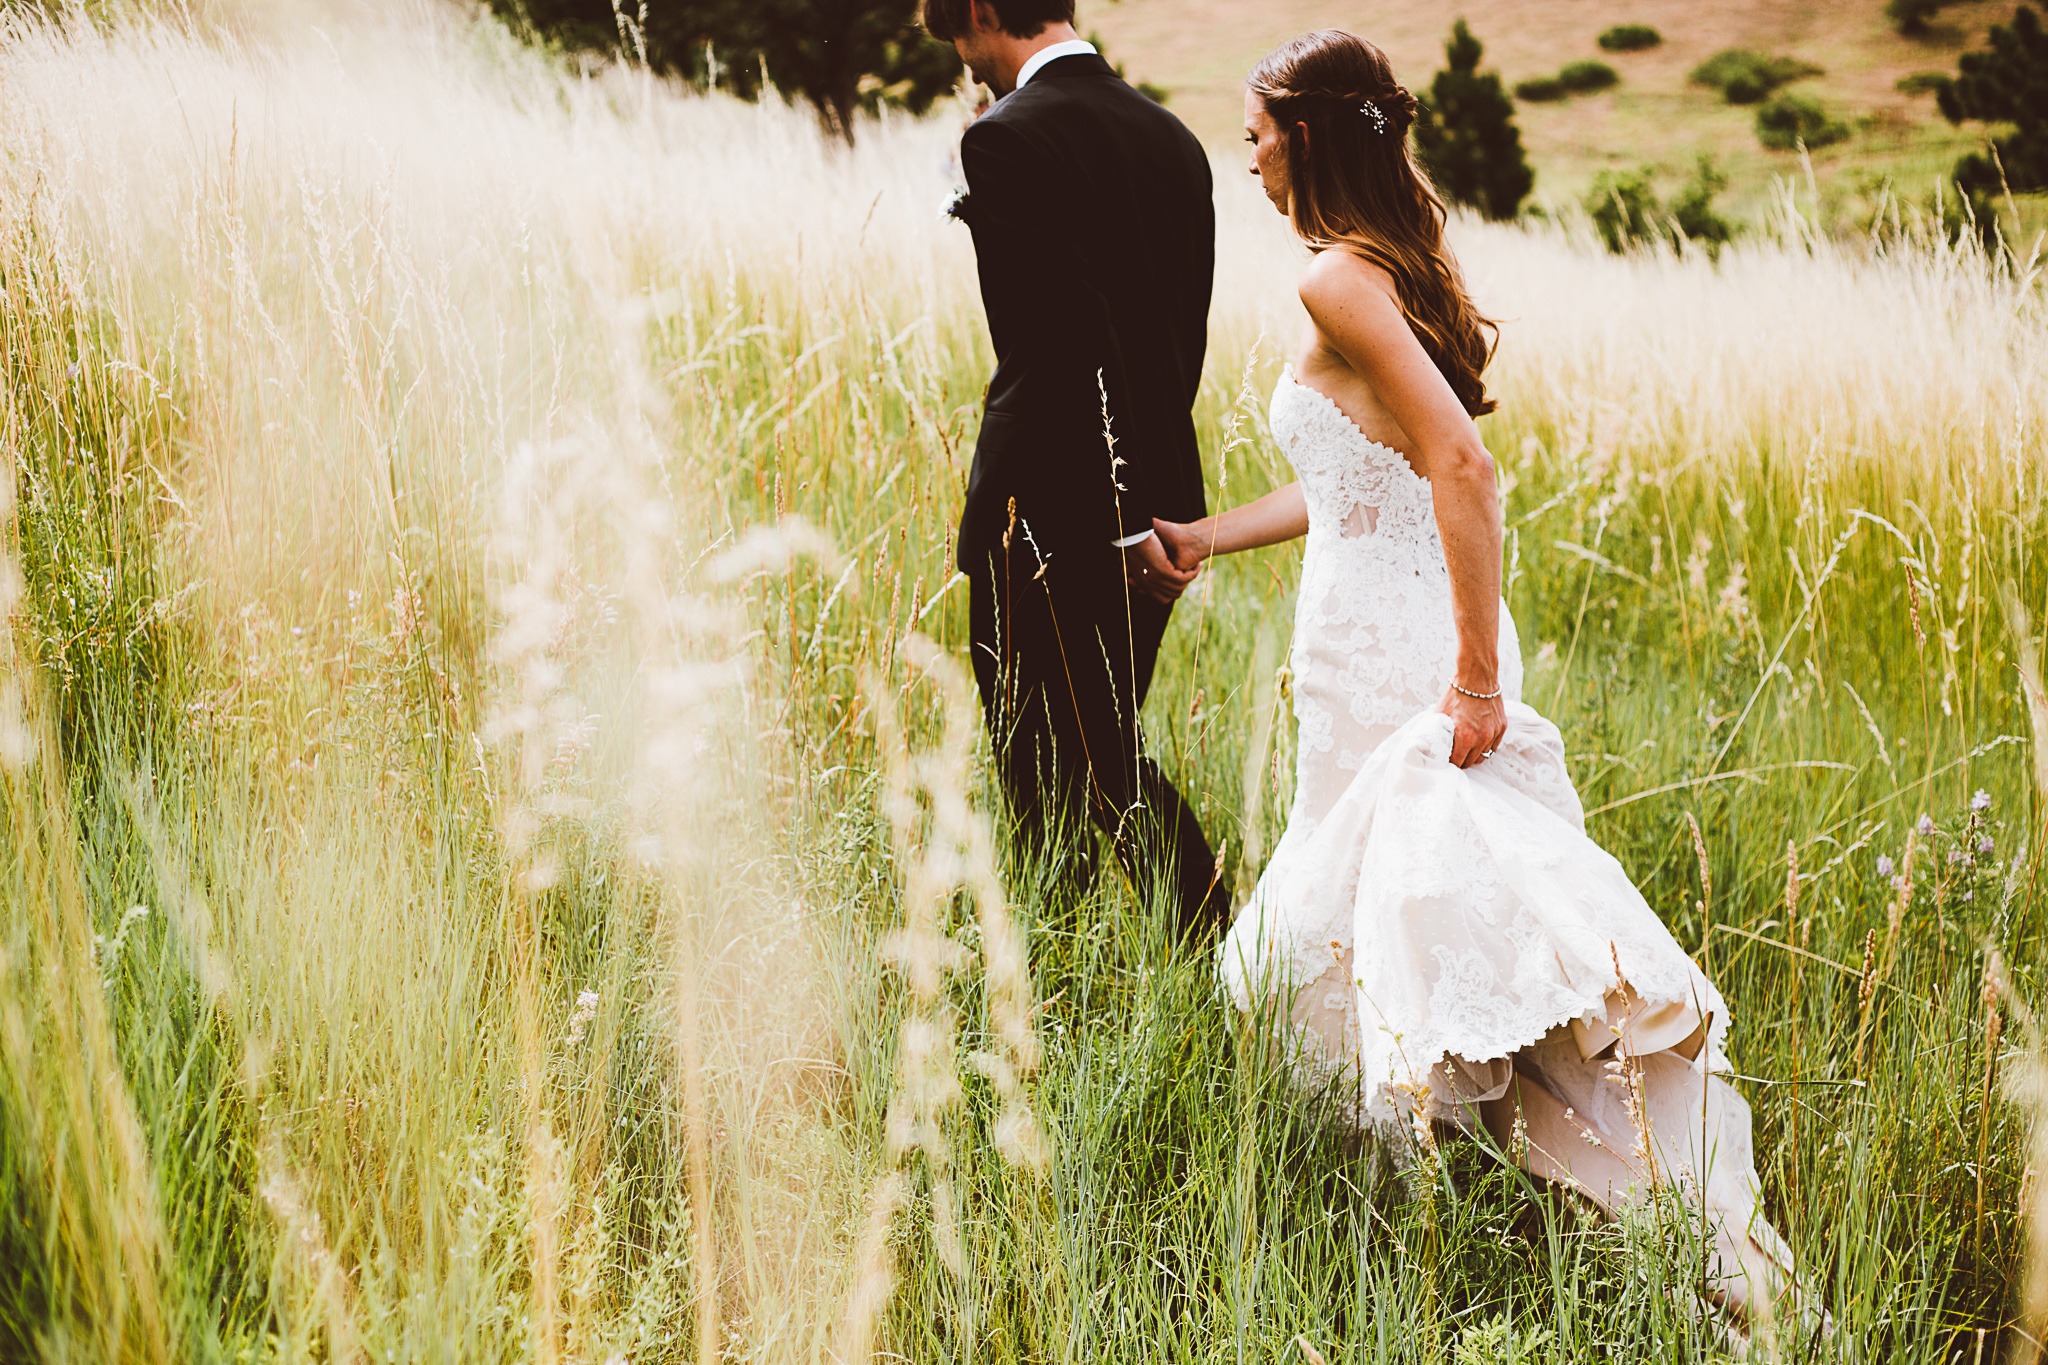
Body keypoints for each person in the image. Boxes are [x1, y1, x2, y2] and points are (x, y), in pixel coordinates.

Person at [1151, 28, 1804, 1320]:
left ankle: (1527, 1220)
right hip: (1367, 650)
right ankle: (1469, 1211)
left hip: (1412, 665)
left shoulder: (1340, 281)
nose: (1251, 155)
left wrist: (1474, 685)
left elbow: (1463, 468)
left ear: (1311, 134)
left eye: (1260, 132)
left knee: (1373, 945)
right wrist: (1208, 537)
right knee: (1385, 935)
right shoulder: (1387, 271)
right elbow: (1362, 479)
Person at [922, 0, 1231, 941]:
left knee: (1061, 765)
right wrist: (1154, 503)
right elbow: (1177, 339)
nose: (960, 56)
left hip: (1054, 511)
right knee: (1093, 756)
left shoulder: (1006, 139)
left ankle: (1212, 951)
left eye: (952, 28)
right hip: (1163, 504)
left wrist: (1122, 516)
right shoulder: (1174, 139)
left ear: (980, 8)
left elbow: (1052, 343)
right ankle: (1092, 969)